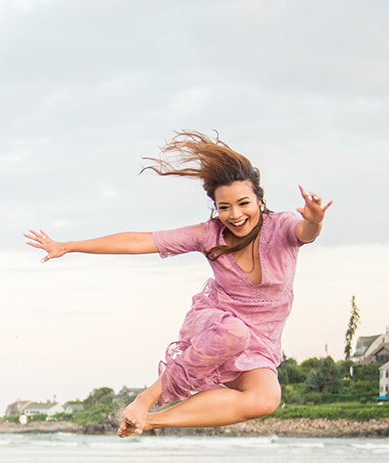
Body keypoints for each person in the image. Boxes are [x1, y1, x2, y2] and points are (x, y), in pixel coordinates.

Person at [24, 131, 330, 437]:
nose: (235, 215)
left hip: (262, 338)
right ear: (216, 208)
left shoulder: (282, 227)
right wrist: (70, 245)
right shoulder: (208, 235)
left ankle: (150, 421)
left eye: (243, 204)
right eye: (224, 207)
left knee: (266, 399)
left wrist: (315, 219)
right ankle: (144, 400)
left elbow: (306, 232)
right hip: (218, 323)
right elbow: (139, 241)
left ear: (260, 201)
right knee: (233, 332)